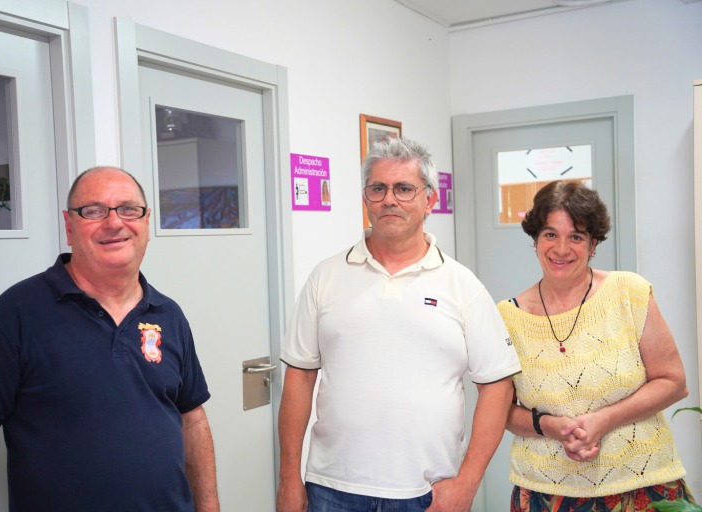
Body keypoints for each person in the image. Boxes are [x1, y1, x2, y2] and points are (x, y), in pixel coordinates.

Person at [0, 166, 220, 512]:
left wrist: (209, 507)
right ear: (69, 226)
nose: (114, 222)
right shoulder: (16, 313)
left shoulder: (168, 314)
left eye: (128, 209)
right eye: (93, 211)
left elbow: (191, 418)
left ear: (147, 222)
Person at [276, 136, 522, 512]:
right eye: (378, 189)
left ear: (429, 200)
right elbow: (299, 378)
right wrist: (288, 477)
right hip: (330, 488)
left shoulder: (462, 285)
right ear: (365, 199)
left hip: (428, 492)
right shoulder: (325, 277)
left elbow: (498, 385)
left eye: (404, 188)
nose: (389, 199)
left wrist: (468, 483)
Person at [498, 180, 695, 511]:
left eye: (576, 236)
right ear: (535, 240)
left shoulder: (628, 292)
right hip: (545, 494)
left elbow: (674, 382)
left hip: (642, 485)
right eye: (550, 234)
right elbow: (502, 412)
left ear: (593, 245)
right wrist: (550, 427)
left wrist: (603, 421)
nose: (561, 249)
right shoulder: (507, 316)